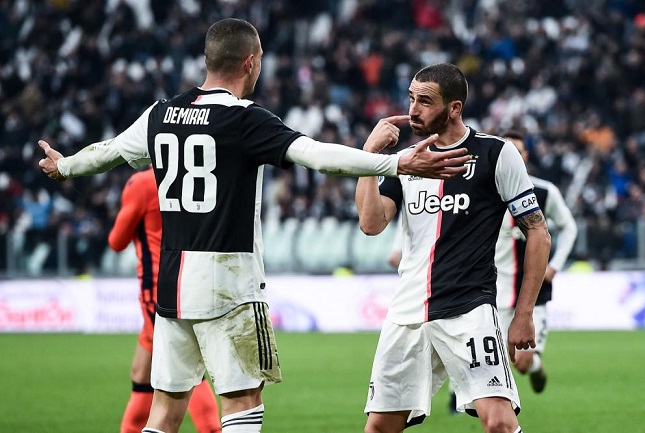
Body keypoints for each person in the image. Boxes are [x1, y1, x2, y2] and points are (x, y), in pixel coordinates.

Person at [37, 19, 471, 433]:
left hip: (172, 284)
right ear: (250, 62)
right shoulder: (244, 119)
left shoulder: (159, 114)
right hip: (228, 283)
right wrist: (396, 162)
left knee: (165, 410)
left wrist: (67, 165)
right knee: (243, 401)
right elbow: (318, 156)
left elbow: (108, 152)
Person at [355, 63, 552, 433]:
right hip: (407, 313)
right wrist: (371, 158)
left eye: (425, 101)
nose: (413, 110)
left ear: (454, 107)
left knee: (499, 424)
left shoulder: (496, 153)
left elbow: (538, 232)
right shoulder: (408, 161)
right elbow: (371, 223)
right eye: (411, 99)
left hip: (468, 311)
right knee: (380, 427)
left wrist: (524, 313)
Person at [108, 166, 222, 433]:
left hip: (158, 289)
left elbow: (117, 241)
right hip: (192, 277)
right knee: (141, 373)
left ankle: (212, 429)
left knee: (185, 370)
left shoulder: (142, 183)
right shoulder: (193, 176)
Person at [495, 131, 578, 393]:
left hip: (534, 290)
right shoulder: (486, 193)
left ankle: (534, 366)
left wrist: (555, 265)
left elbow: (568, 227)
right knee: (493, 358)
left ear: (525, 156)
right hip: (494, 289)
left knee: (522, 360)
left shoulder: (544, 191)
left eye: (517, 152)